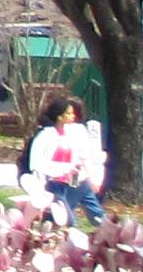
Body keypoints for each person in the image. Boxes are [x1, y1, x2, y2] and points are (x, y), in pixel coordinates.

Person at [25, 92, 105, 228]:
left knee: (96, 215)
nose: (73, 116)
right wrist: (63, 169)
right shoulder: (46, 136)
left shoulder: (72, 133)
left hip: (75, 182)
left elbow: (82, 156)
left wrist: (90, 176)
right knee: (67, 220)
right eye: (69, 113)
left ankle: (111, 235)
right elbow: (38, 164)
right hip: (56, 184)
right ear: (60, 116)